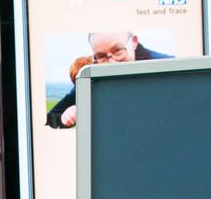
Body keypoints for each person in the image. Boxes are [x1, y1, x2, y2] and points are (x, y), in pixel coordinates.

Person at [46, 32, 174, 129]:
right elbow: (51, 118)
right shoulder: (90, 75)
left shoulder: (170, 68)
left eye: (118, 51)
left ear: (134, 42)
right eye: (102, 56)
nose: (111, 63)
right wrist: (65, 117)